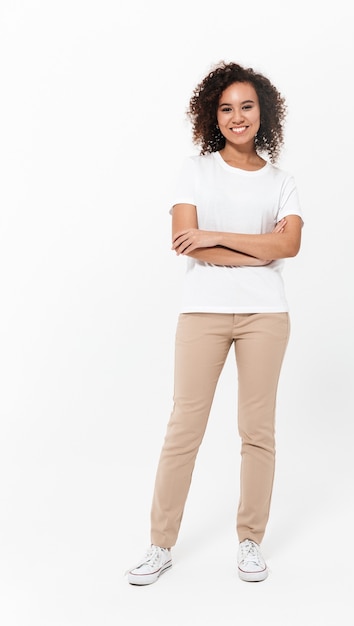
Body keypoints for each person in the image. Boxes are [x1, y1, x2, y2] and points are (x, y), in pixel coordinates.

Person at [127, 61, 303, 585]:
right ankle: (160, 545)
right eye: (226, 108)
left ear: (263, 112)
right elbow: (183, 238)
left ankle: (250, 541)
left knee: (258, 431)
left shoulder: (282, 181)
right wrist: (258, 250)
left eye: (246, 106)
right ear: (213, 115)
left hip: (265, 314)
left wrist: (216, 239)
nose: (236, 116)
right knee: (184, 427)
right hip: (202, 310)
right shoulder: (195, 170)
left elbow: (289, 245)